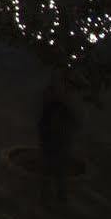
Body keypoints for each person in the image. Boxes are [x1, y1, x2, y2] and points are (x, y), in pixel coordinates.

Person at [39, 78, 79, 206]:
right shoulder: (55, 107)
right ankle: (54, 195)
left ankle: (56, 195)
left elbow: (72, 123)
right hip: (54, 143)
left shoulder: (58, 107)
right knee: (53, 170)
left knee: (55, 170)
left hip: (57, 143)